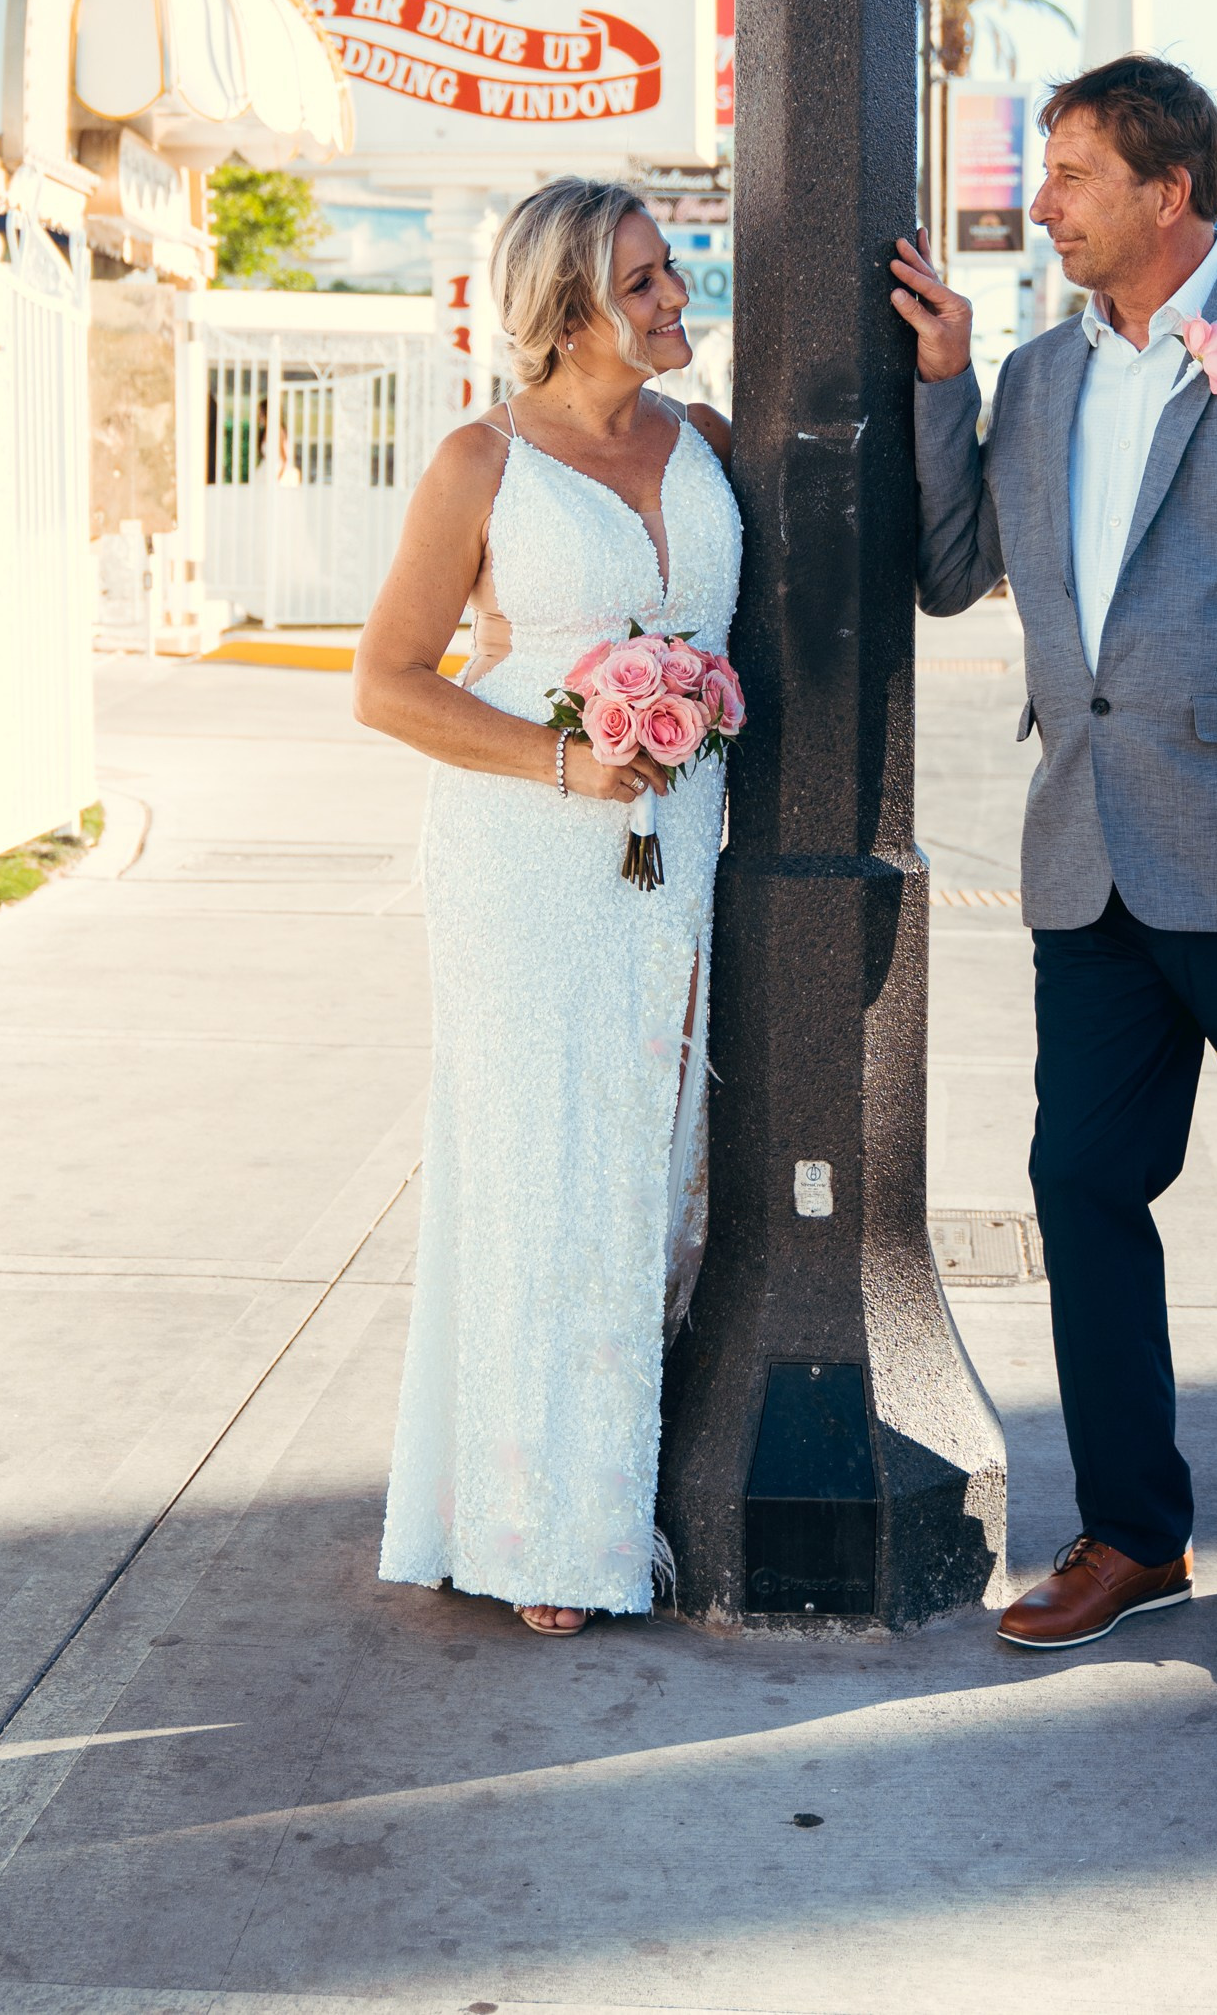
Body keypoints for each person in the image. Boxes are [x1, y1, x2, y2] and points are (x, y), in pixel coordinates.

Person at [892, 55, 1217, 1666]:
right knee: (1080, 1188)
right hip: (1092, 868)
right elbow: (946, 574)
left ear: (1167, 192)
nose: (1038, 203)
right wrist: (943, 383)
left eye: (1068, 176)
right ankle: (1136, 1531)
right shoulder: (1043, 378)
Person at [356, 178, 740, 1637]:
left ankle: (613, 1491)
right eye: (645, 282)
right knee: (540, 1175)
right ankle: (535, 1533)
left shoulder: (703, 441)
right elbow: (386, 682)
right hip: (527, 855)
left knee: (658, 1176)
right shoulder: (481, 461)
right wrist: (560, 760)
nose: (674, 299)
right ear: (569, 307)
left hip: (678, 848)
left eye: (670, 273)